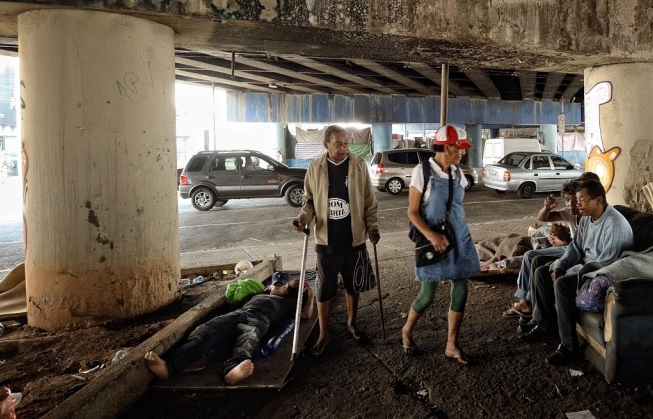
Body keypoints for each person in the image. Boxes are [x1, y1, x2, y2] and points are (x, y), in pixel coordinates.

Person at [523, 179, 634, 365]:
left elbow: (604, 265)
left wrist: (568, 271)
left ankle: (569, 347)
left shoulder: (614, 225)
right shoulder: (586, 219)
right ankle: (543, 323)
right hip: (587, 267)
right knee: (543, 272)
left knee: (562, 284)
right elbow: (575, 248)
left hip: (604, 273)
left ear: (598, 200)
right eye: (577, 199)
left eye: (582, 200)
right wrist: (560, 265)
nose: (577, 204)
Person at [291, 125, 380, 356]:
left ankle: (352, 324)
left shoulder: (359, 166)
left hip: (354, 238)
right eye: (339, 143)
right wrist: (302, 219)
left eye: (346, 143)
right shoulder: (315, 168)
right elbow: (309, 202)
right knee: (324, 289)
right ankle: (323, 334)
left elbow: (370, 202)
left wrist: (373, 226)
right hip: (326, 239)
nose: (344, 148)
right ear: (326, 145)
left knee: (354, 285)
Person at [401, 124, 481, 365]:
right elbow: (413, 213)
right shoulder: (422, 171)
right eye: (459, 149)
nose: (463, 153)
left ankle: (451, 344)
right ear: (447, 148)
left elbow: (456, 207)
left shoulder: (457, 173)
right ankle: (406, 331)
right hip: (433, 241)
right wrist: (432, 236)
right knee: (427, 295)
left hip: (459, 238)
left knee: (461, 289)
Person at [144, 277, 312, 385]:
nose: (280, 286)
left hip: (260, 318)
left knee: (249, 337)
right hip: (238, 313)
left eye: (284, 285)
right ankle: (170, 368)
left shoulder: (288, 303)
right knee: (205, 330)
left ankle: (233, 370)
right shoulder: (258, 294)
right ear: (269, 286)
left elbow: (305, 314)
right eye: (277, 283)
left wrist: (309, 296)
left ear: (289, 292)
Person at [503, 178, 586, 319]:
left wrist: (565, 242)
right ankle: (524, 300)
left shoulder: (587, 214)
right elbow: (543, 218)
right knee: (529, 255)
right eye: (567, 200)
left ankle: (528, 303)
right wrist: (547, 208)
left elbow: (582, 245)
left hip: (576, 252)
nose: (570, 204)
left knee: (538, 262)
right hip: (568, 248)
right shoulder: (568, 213)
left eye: (573, 200)